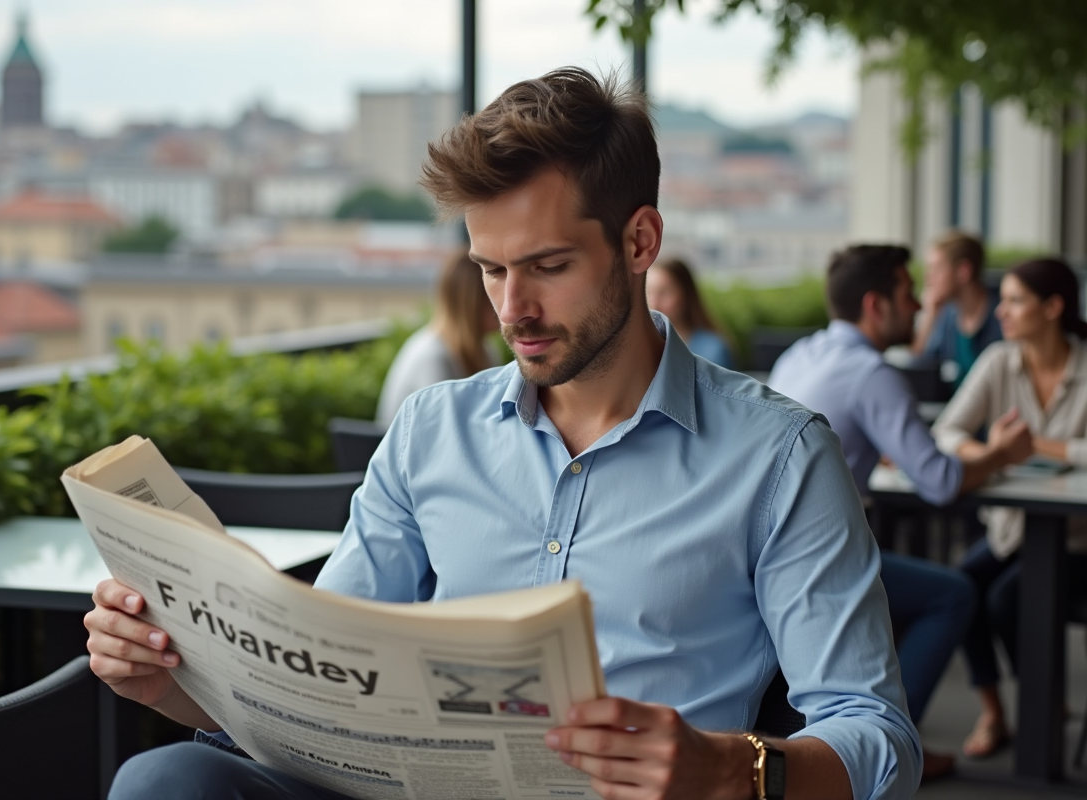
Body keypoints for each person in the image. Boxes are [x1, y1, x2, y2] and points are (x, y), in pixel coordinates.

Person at [87, 68, 923, 800]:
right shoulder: (430, 430)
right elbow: (320, 695)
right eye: (491, 269)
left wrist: (728, 772)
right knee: (166, 778)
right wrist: (172, 680)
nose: (513, 308)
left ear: (639, 240)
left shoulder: (777, 457)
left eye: (548, 267)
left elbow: (876, 733)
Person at [767, 244, 1034, 779]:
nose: (917, 307)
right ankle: (884, 749)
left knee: (898, 586)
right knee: (953, 593)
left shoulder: (799, 354)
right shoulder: (873, 374)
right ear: (875, 305)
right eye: (907, 295)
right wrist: (1004, 453)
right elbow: (938, 482)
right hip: (815, 557)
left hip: (763, 549)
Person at [931, 257, 1087, 759]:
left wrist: (1035, 446)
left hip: (1078, 540)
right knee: (958, 586)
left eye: (1016, 300)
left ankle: (1044, 705)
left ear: (1053, 307)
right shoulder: (999, 360)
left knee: (1004, 598)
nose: (1002, 311)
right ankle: (995, 712)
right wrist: (992, 452)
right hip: (1012, 532)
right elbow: (947, 432)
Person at [375, 251, 500, 424]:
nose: (505, 305)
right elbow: (445, 433)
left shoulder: (485, 349)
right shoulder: (431, 357)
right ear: (474, 303)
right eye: (495, 295)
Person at [911, 230, 1002, 386]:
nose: (928, 277)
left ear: (963, 271)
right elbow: (920, 363)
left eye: (936, 269)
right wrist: (930, 314)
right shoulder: (947, 314)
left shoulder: (1002, 313)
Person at [645, 257, 734, 367]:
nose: (655, 303)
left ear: (686, 295)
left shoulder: (712, 351)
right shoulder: (636, 347)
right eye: (647, 292)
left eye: (665, 293)